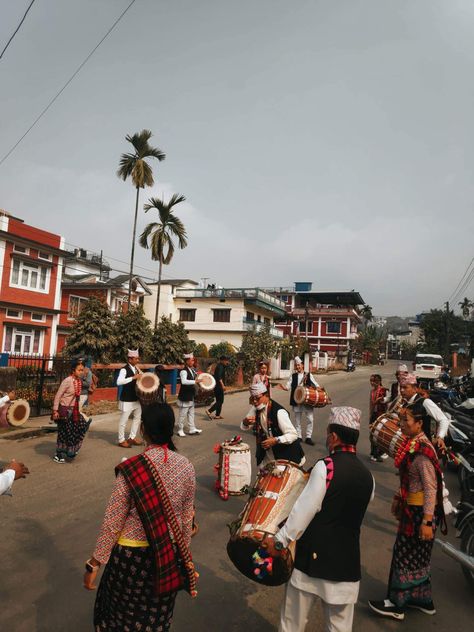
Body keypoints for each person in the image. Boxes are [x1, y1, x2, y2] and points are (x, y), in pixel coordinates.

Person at [84, 403, 196, 631]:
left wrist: (94, 563)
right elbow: (187, 519)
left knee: (120, 617)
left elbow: (113, 521)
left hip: (130, 558)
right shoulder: (186, 467)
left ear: (143, 429)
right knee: (155, 618)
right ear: (171, 428)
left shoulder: (132, 468)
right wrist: (186, 558)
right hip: (168, 556)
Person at [264, 407, 374, 632]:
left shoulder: (326, 467)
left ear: (333, 437)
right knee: (339, 628)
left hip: (311, 563)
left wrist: (279, 542)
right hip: (346, 566)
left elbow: (304, 511)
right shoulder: (368, 476)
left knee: (292, 623)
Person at [368, 406, 446, 620]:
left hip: (420, 514)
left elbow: (430, 488)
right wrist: (399, 497)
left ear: (420, 424)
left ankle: (397, 604)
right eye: (401, 420)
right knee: (418, 559)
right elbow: (411, 482)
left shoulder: (422, 451)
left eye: (406, 420)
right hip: (415, 510)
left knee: (404, 556)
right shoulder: (413, 444)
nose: (402, 424)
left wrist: (427, 522)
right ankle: (423, 600)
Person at [241, 382, 304, 467]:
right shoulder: (256, 408)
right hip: (268, 454)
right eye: (252, 399)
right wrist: (245, 422)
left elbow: (293, 434)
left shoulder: (279, 412)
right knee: (263, 476)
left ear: (266, 395)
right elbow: (243, 426)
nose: (255, 402)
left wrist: (276, 440)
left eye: (257, 398)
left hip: (286, 455)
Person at [52, 359, 92, 463]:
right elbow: (58, 395)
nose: (81, 372)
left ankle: (71, 449)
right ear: (73, 370)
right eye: (79, 370)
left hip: (74, 411)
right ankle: (58, 454)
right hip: (64, 410)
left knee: (82, 425)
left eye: (82, 370)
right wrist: (55, 410)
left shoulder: (78, 381)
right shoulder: (67, 381)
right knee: (63, 432)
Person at [399, 374, 449, 449]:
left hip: (423, 446)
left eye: (405, 387)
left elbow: (443, 419)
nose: (402, 390)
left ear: (415, 389)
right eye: (401, 387)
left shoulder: (425, 402)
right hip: (410, 445)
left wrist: (440, 437)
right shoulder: (405, 404)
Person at [279, 356, 319, 445]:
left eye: (299, 365)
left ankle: (308, 437)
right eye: (296, 366)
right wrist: (282, 387)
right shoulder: (293, 376)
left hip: (307, 400)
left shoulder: (308, 375)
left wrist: (318, 389)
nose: (298, 367)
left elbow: (316, 384)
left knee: (310, 419)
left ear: (302, 365)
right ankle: (299, 436)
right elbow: (287, 387)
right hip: (297, 400)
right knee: (297, 420)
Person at [116, 349, 143, 448]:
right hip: (127, 399)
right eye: (136, 358)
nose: (138, 360)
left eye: (138, 358)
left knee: (137, 419)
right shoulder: (124, 369)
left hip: (137, 398)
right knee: (124, 421)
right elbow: (119, 382)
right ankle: (121, 440)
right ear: (130, 359)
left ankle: (132, 437)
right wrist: (133, 378)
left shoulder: (137, 368)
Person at [177, 353, 203, 437]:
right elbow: (184, 382)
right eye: (192, 360)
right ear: (187, 361)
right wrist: (195, 382)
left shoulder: (192, 370)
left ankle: (192, 428)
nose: (193, 362)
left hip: (190, 395)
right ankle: (180, 429)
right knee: (183, 414)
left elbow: (195, 379)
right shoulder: (183, 371)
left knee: (191, 413)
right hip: (185, 395)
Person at [369, 374, 388, 462]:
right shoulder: (372, 392)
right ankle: (373, 453)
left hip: (382, 415)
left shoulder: (384, 391)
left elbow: (388, 403)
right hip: (374, 415)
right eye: (372, 381)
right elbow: (371, 405)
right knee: (372, 434)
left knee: (379, 435)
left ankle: (378, 453)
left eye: (375, 381)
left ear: (379, 381)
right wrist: (370, 416)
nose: (373, 383)